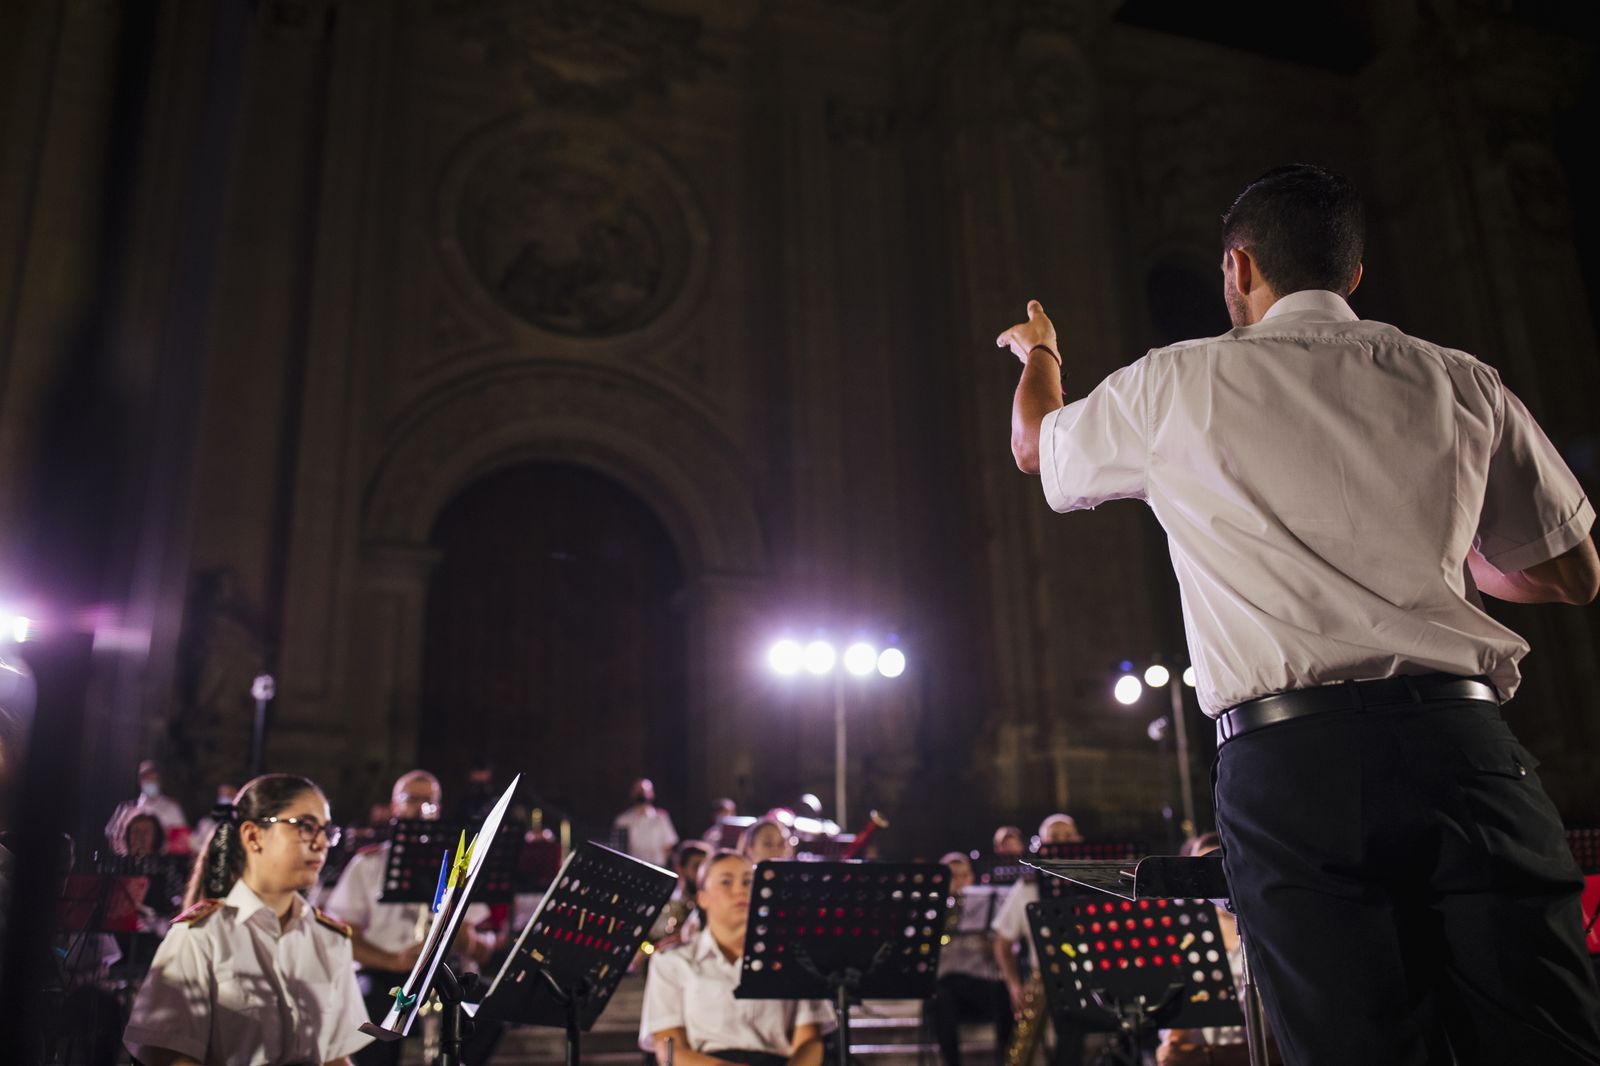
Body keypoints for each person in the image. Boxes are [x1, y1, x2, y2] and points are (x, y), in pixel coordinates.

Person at [998, 162, 1600, 1064]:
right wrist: (1465, 556)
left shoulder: (1173, 383)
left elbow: (1034, 446)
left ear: (1237, 267)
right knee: (1540, 1040)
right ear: (1352, 274)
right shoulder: (1460, 380)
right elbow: (1573, 573)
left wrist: (1041, 353)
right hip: (1464, 750)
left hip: (1292, 767)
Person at [122, 773, 371, 1066]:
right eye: (305, 826)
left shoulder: (330, 939)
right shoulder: (200, 936)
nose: (321, 843)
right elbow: (169, 1055)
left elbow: (335, 1057)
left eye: (327, 831)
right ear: (253, 836)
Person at [324, 768, 491, 1066]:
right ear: (394, 807)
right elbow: (342, 934)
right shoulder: (368, 863)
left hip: (441, 973)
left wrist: (459, 932)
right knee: (368, 1007)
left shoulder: (456, 866)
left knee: (492, 1008)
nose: (421, 808)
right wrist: (394, 961)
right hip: (384, 972)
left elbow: (473, 940)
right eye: (411, 799)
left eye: (430, 801)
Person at [639, 849, 831, 1065]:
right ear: (703, 898)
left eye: (748, 882)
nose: (741, 891)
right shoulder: (672, 962)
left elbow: (809, 1041)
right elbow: (669, 1048)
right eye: (726, 882)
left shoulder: (791, 960)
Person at [929, 852, 1012, 1066]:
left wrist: (988, 939)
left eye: (964, 876)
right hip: (947, 983)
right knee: (941, 1001)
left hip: (980, 981)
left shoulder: (987, 907)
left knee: (1004, 994)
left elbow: (1002, 952)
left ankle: (1007, 1060)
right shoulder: (931, 910)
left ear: (972, 878)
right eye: (953, 876)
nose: (960, 882)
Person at [105, 760, 189, 851]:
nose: (150, 780)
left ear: (159, 779)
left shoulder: (172, 808)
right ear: (139, 780)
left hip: (161, 858)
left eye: (153, 776)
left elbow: (181, 843)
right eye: (146, 777)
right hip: (132, 858)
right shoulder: (127, 809)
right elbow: (113, 836)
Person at [613, 777, 679, 867]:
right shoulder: (623, 820)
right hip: (632, 867)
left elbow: (669, 845)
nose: (642, 793)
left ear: (652, 794)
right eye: (638, 790)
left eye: (645, 791)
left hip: (657, 867)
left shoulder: (661, 818)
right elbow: (618, 848)